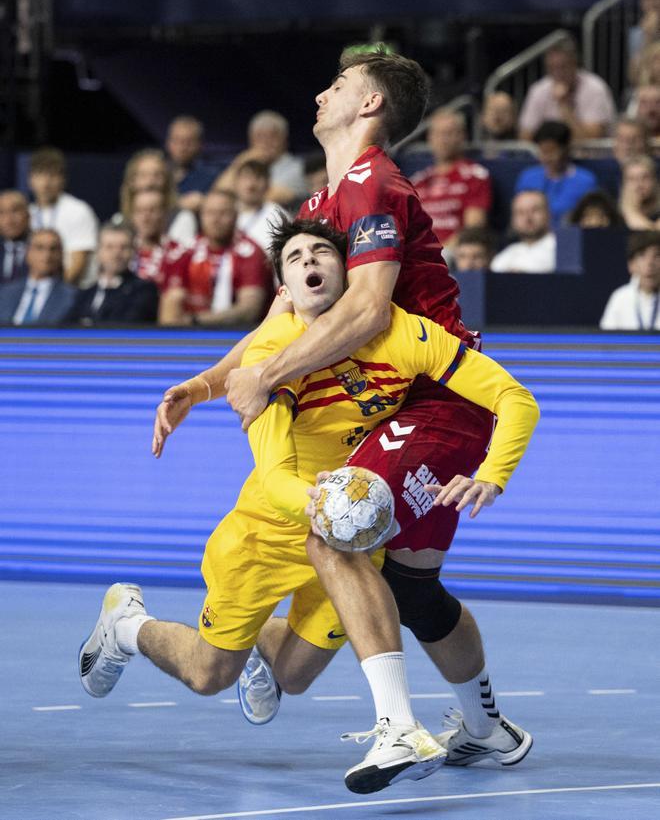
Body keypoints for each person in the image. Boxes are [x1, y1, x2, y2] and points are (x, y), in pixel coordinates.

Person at [153, 47, 535, 780]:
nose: (321, 94)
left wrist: (266, 377)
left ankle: (397, 727)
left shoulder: (370, 181)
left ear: (369, 106)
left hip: (434, 396)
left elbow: (363, 310)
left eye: (338, 85)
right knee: (412, 589)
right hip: (410, 405)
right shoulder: (319, 207)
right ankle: (489, 729)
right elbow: (280, 321)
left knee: (336, 533)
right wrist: (206, 385)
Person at [82, 219, 538, 795]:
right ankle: (128, 624)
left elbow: (514, 398)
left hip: (342, 527)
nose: (308, 261)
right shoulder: (272, 356)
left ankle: (379, 713)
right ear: (283, 289)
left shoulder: (402, 332)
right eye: (293, 258)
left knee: (294, 678)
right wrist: (335, 503)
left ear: (350, 273)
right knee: (207, 673)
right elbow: (274, 481)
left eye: (321, 250)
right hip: (271, 530)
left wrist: (493, 475)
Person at [159, 190, 272, 327]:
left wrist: (197, 321)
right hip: (189, 337)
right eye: (210, 213)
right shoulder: (185, 252)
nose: (216, 219)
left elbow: (249, 310)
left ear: (236, 216)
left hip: (240, 334)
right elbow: (170, 308)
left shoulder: (250, 253)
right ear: (201, 216)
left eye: (223, 213)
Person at [411, 109, 492, 251]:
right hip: (417, 254)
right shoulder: (418, 180)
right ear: (430, 138)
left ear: (462, 136)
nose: (443, 140)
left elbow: (473, 229)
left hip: (452, 253)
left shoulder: (475, 176)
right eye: (438, 134)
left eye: (449, 133)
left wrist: (437, 253)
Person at [518, 35, 616, 141]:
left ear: (575, 64)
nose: (557, 73)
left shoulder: (595, 88)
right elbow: (525, 137)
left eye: (562, 67)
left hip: (591, 157)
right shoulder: (538, 90)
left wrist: (564, 106)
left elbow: (590, 140)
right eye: (552, 68)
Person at [28, 148, 98, 286]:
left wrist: (54, 294)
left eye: (52, 175)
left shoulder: (78, 210)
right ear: (30, 179)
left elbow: (78, 263)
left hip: (72, 290)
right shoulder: (28, 213)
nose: (46, 183)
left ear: (63, 180)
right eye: (40, 175)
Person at [70, 222, 158, 325]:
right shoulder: (85, 294)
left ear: (132, 252)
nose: (117, 253)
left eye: (123, 247)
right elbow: (62, 329)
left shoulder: (143, 290)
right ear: (98, 252)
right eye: (109, 247)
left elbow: (125, 324)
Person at [515, 121, 598, 226]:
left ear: (566, 149)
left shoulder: (585, 181)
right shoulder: (528, 178)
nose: (547, 157)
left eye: (552, 151)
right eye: (543, 151)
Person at [216, 111, 307, 207]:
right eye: (259, 136)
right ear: (250, 140)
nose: (266, 142)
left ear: (285, 140)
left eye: (272, 136)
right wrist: (240, 162)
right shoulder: (245, 163)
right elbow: (219, 193)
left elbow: (270, 198)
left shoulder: (297, 168)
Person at [117, 149, 197, 246]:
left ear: (167, 181)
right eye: (143, 175)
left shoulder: (183, 218)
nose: (150, 182)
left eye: (157, 175)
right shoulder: (119, 221)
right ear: (132, 181)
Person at [0, 229, 76, 325]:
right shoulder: (5, 293)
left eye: (53, 249)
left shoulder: (72, 298)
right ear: (27, 252)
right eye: (39, 248)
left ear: (61, 255)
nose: (47, 255)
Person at [129, 188, 192, 295]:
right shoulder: (123, 252)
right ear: (132, 216)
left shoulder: (180, 255)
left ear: (164, 214)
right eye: (140, 211)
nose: (146, 217)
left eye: (152, 210)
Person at [600, 230, 660, 329]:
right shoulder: (620, 297)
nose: (650, 263)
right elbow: (606, 340)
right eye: (642, 255)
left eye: (657, 255)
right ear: (631, 265)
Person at [491, 191, 556, 273]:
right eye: (520, 212)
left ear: (548, 214)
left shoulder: (562, 249)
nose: (528, 218)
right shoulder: (505, 255)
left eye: (534, 210)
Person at [235, 159, 290, 252]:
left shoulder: (278, 216)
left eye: (258, 178)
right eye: (246, 177)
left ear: (268, 184)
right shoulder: (224, 212)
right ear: (235, 183)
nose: (251, 185)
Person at [619, 154, 660, 229]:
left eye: (645, 178)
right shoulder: (613, 214)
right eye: (632, 179)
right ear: (624, 184)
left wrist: (630, 211)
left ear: (655, 181)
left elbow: (653, 237)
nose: (639, 185)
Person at [0, 190, 30, 284]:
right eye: (1, 213)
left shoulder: (41, 248)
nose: (9, 220)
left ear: (28, 215)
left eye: (15, 211)